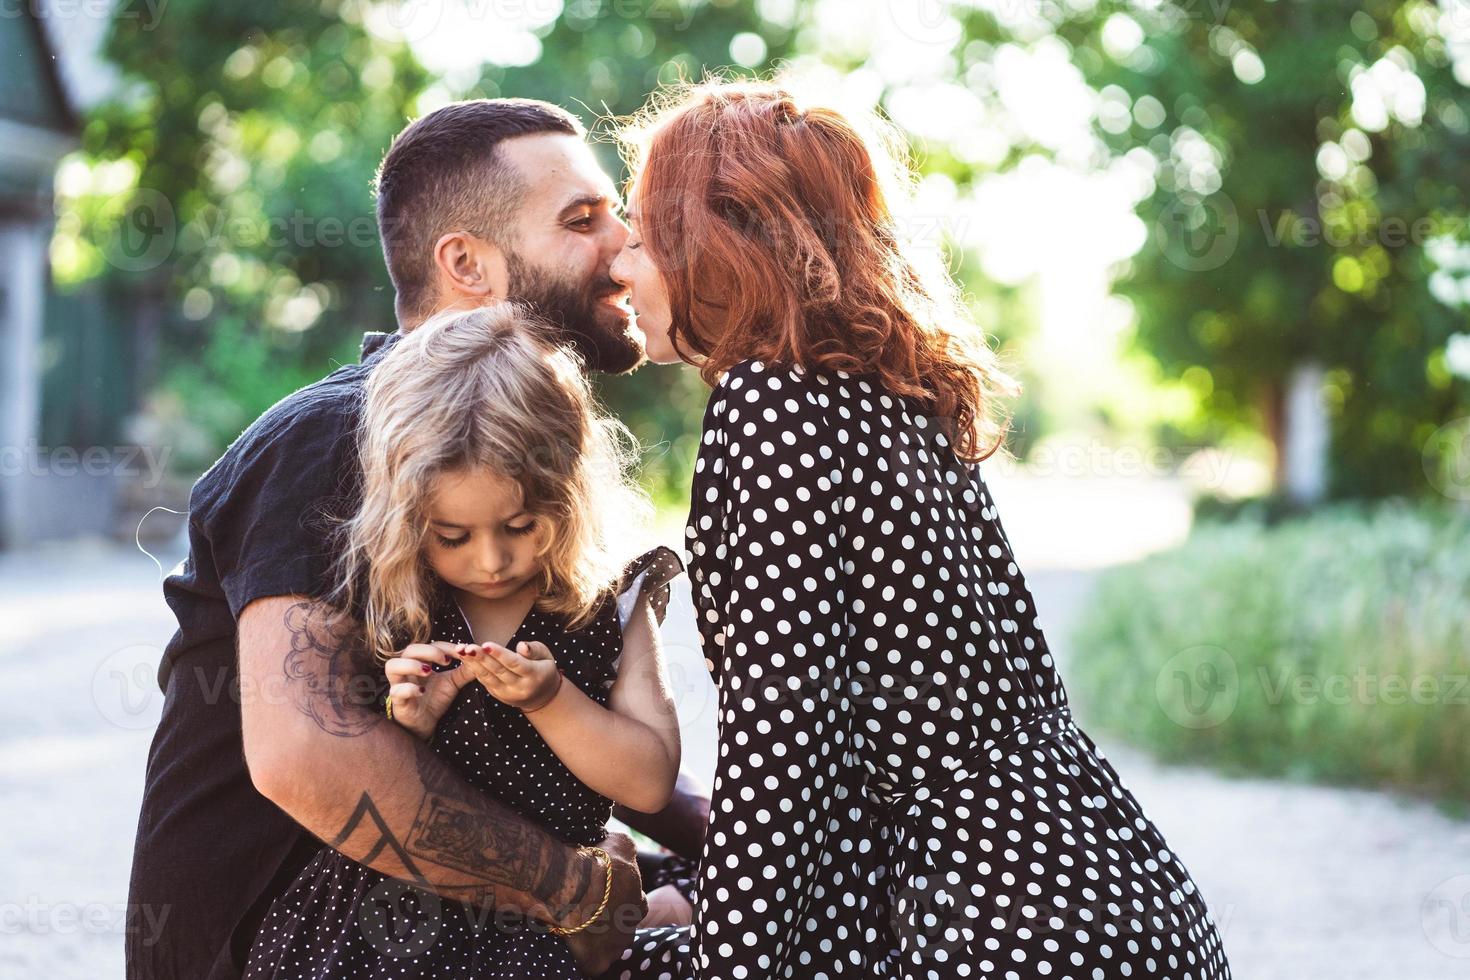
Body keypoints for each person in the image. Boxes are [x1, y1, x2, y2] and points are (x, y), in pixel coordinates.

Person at [598, 79, 1234, 978]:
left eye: (644, 231)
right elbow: (863, 761)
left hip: (997, 924)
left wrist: (718, 965)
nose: (622, 264)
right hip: (1110, 892)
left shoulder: (769, 402)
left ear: (723, 238)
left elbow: (785, 741)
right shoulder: (895, 396)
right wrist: (693, 888)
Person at [126, 98, 705, 980]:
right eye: (582, 220)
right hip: (293, 946)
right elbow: (305, 754)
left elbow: (574, 740)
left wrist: (749, 836)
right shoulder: (341, 435)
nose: (625, 246)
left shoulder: (525, 458)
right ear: (465, 262)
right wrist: (579, 894)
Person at [243, 303, 691, 978]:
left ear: (567, 493)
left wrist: (551, 702)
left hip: (537, 931)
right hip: (379, 921)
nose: (490, 561)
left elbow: (650, 781)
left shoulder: (608, 603)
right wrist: (409, 725)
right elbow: (354, 775)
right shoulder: (407, 595)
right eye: (453, 536)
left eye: (520, 526)